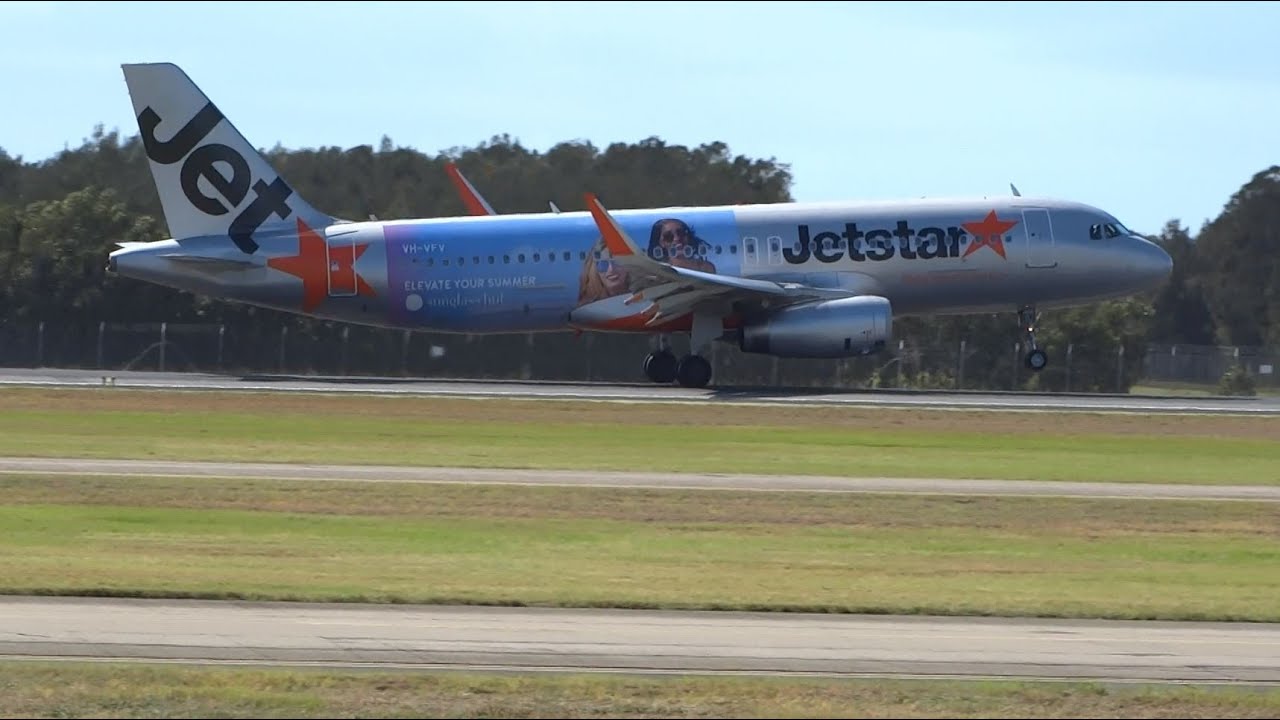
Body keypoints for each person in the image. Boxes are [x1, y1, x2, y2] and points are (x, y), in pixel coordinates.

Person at [647, 218, 716, 273]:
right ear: (661, 243)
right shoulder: (660, 273)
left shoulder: (706, 268)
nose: (677, 239)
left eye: (681, 233)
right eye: (668, 236)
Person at [577, 236, 632, 305]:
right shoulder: (587, 309)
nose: (611, 269)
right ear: (595, 270)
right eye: (603, 264)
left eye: (617, 261)